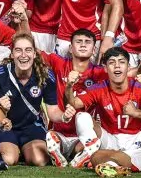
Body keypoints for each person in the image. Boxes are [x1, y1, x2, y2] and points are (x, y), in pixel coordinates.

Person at [66, 47, 141, 170]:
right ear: (105, 68)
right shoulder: (98, 88)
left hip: (138, 139)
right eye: (111, 62)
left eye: (121, 62)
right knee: (82, 117)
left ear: (128, 67)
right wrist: (69, 86)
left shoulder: (139, 87)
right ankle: (90, 153)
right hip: (110, 139)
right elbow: (74, 103)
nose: (117, 66)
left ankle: (95, 157)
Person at [0, 33, 65, 167]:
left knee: (39, 160)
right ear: (12, 54)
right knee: (8, 159)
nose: (23, 55)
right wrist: (2, 112)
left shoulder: (46, 76)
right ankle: (17, 150)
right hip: (8, 127)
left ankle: (28, 150)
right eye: (18, 50)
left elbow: (52, 112)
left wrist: (65, 116)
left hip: (32, 127)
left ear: (35, 54)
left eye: (28, 50)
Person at [42, 29, 107, 166]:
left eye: (87, 42)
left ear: (94, 49)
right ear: (71, 48)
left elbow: (127, 73)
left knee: (91, 142)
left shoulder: (100, 73)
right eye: (79, 41)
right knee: (53, 138)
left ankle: (73, 154)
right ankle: (69, 152)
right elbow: (32, 52)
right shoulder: (58, 63)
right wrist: (23, 22)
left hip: (82, 136)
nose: (83, 45)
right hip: (60, 129)